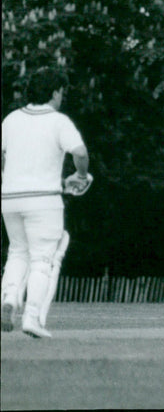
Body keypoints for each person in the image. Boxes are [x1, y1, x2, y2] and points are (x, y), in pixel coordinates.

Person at [1, 68, 92, 338]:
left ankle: (8, 299)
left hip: (10, 199)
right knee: (43, 260)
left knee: (17, 252)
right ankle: (32, 318)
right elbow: (80, 152)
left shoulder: (12, 119)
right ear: (54, 92)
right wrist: (81, 175)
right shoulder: (58, 121)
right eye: (61, 92)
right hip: (44, 200)